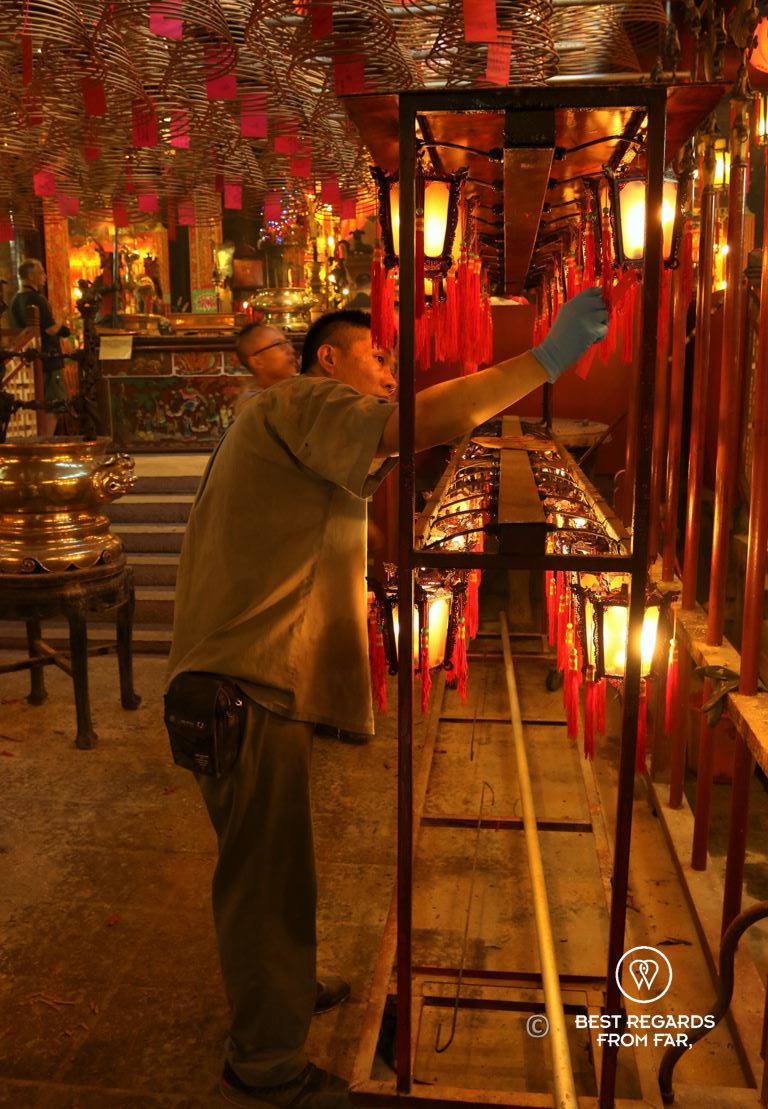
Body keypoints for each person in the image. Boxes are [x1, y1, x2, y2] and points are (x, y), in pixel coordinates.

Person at [165, 290, 608, 1109]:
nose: (389, 374)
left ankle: (285, 993)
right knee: (266, 880)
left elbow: (336, 514)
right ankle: (263, 1066)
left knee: (278, 869)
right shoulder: (304, 398)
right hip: (242, 686)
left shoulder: (291, 427)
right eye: (377, 358)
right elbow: (423, 422)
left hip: (235, 682)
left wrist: (377, 569)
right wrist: (540, 363)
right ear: (327, 361)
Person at [10, 258, 70, 438]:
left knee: (36, 402)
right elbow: (50, 330)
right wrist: (62, 317)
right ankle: (47, 440)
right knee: (54, 403)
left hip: (31, 358)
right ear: (30, 276)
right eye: (41, 272)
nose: (44, 276)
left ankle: (40, 439)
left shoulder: (15, 300)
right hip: (48, 358)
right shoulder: (37, 299)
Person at [233, 322, 299, 416]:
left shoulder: (294, 389)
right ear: (257, 362)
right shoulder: (253, 405)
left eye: (287, 343)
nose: (291, 350)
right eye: (279, 344)